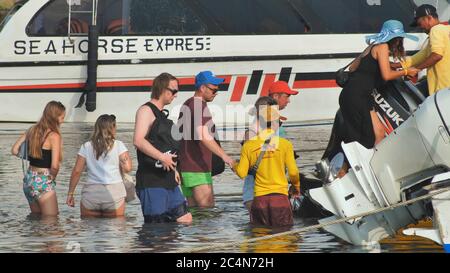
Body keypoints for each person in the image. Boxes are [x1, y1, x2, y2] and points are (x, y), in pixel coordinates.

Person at [339, 20, 419, 150]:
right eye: (398, 39)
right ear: (393, 38)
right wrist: (406, 71)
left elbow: (353, 68)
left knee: (379, 133)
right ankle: (346, 169)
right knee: (362, 139)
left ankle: (373, 165)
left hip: (361, 96)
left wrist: (395, 67)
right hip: (356, 97)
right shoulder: (383, 48)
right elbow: (386, 75)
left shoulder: (371, 47)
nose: (399, 42)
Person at [133, 72, 192, 224]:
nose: (176, 95)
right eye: (174, 91)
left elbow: (163, 144)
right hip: (151, 181)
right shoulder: (145, 111)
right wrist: (162, 157)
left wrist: (174, 169)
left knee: (185, 218)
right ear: (162, 89)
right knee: (157, 229)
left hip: (168, 179)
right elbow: (138, 141)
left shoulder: (161, 114)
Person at [233, 104, 300, 227]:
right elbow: (293, 173)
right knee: (284, 237)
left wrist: (233, 165)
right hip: (280, 199)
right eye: (279, 123)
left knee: (260, 236)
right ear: (274, 124)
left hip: (259, 200)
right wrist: (296, 187)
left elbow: (242, 173)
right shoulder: (285, 144)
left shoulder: (249, 146)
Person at [177, 70, 235, 208]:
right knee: (207, 212)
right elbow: (203, 134)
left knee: (195, 214)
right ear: (202, 88)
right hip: (197, 169)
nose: (216, 92)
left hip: (186, 168)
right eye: (213, 89)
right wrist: (225, 157)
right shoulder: (197, 104)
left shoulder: (188, 103)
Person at [66, 114, 131, 217]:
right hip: (114, 195)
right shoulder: (119, 145)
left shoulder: (86, 146)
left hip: (91, 195)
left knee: (90, 231)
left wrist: (70, 193)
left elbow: (77, 171)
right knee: (115, 231)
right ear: (112, 128)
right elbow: (127, 168)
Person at [11, 101, 66, 216]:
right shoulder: (54, 136)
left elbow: (15, 150)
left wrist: (33, 157)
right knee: (52, 222)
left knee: (36, 221)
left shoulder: (32, 130)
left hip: (29, 180)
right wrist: (51, 179)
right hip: (43, 181)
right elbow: (55, 166)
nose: (63, 120)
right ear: (54, 117)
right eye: (62, 117)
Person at [395, 4, 450, 95]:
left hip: (443, 90)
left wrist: (416, 69)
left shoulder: (435, 30)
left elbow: (437, 55)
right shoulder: (446, 29)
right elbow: (422, 55)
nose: (420, 27)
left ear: (428, 18)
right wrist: (398, 65)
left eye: (419, 23)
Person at [241, 96, 278, 212]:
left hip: (270, 190)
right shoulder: (251, 134)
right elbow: (248, 166)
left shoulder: (269, 131)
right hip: (255, 193)